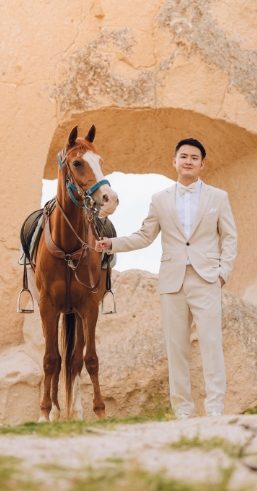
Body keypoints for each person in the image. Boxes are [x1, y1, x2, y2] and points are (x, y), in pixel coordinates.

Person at [96, 138, 237, 419]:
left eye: (194, 157)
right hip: (172, 282)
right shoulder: (159, 199)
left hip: (207, 279)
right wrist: (112, 243)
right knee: (176, 348)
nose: (188, 161)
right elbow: (145, 235)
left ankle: (215, 410)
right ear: (174, 162)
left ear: (201, 164)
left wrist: (223, 273)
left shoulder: (218, 197)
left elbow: (230, 237)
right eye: (183, 156)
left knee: (211, 344)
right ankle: (183, 411)